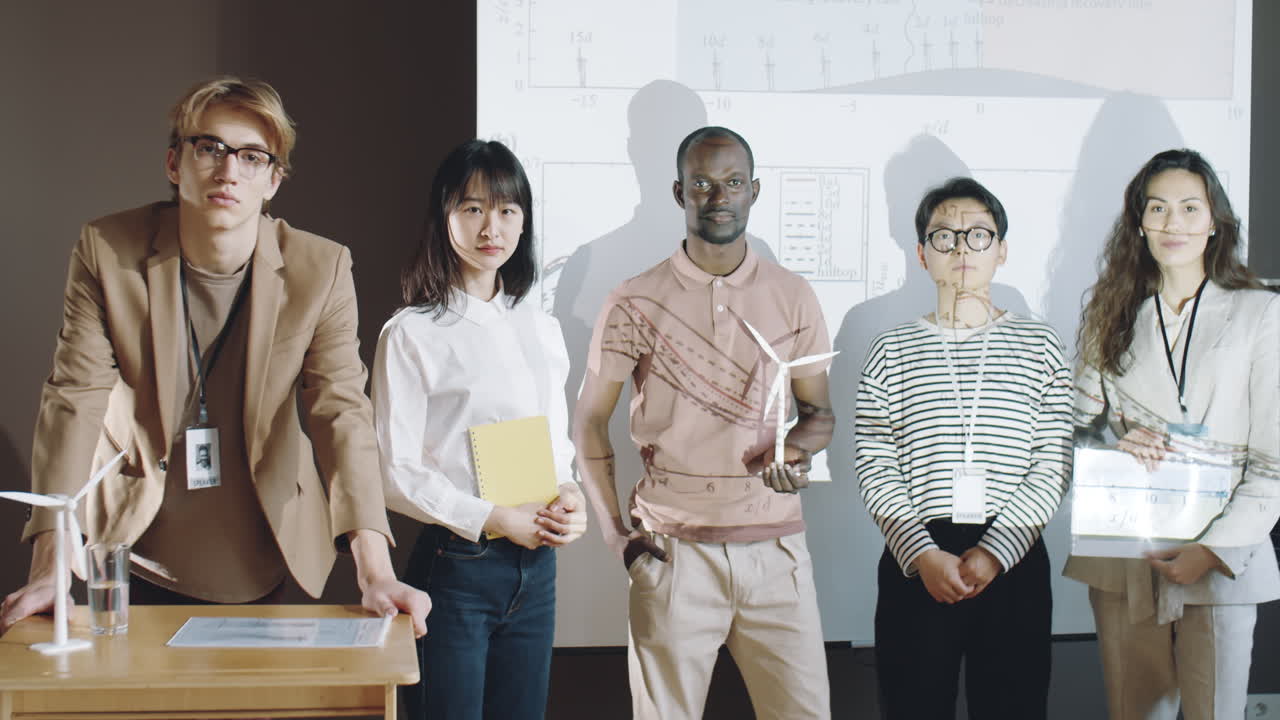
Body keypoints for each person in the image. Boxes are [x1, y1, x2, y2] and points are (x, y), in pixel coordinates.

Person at [0, 77, 429, 635]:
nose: (229, 171)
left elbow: (340, 411)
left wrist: (376, 570)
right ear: (175, 163)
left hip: (265, 542)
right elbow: (74, 398)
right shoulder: (108, 250)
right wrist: (51, 564)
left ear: (273, 181)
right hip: (133, 535)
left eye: (251, 157)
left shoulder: (320, 270)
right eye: (210, 148)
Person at [574, 126, 835, 720]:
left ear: (755, 191)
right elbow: (588, 423)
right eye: (702, 184)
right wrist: (615, 535)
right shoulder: (633, 300)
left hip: (776, 554)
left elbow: (819, 415)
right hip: (672, 556)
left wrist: (797, 451)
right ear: (678, 192)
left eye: (733, 183)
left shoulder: (794, 296)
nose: (719, 197)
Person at [372, 139, 587, 719]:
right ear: (445, 216)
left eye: (508, 210)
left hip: (536, 568)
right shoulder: (413, 332)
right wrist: (495, 518)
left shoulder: (540, 325)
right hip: (459, 566)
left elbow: (555, 445)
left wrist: (569, 495)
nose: (492, 226)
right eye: (472, 209)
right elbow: (395, 472)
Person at [1067, 148, 1280, 720]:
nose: (1173, 223)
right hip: (1127, 550)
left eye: (1190, 207)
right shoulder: (1110, 313)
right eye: (1158, 208)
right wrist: (1114, 443)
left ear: (1215, 221)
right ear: (1139, 221)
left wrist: (1212, 550)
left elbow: (1274, 461)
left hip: (1221, 553)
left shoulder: (1262, 314)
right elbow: (1072, 432)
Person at [854, 177, 1072, 719]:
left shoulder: (1040, 344)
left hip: (1013, 554)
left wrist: (996, 552)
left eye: (978, 235)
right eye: (945, 236)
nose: (961, 249)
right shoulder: (891, 347)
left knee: (1013, 708)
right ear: (922, 254)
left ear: (1001, 251)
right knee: (913, 707)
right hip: (919, 558)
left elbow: (1054, 464)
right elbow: (874, 461)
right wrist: (922, 553)